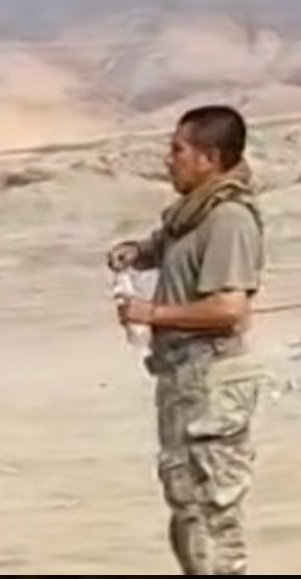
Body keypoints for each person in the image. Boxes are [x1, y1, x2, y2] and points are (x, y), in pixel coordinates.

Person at [109, 105, 265, 576]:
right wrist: (136, 254)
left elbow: (229, 309)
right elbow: (170, 245)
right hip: (185, 379)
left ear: (209, 158)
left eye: (178, 150)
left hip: (211, 380)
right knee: (188, 510)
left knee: (211, 514)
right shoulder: (194, 215)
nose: (168, 159)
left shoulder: (228, 219)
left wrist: (151, 313)